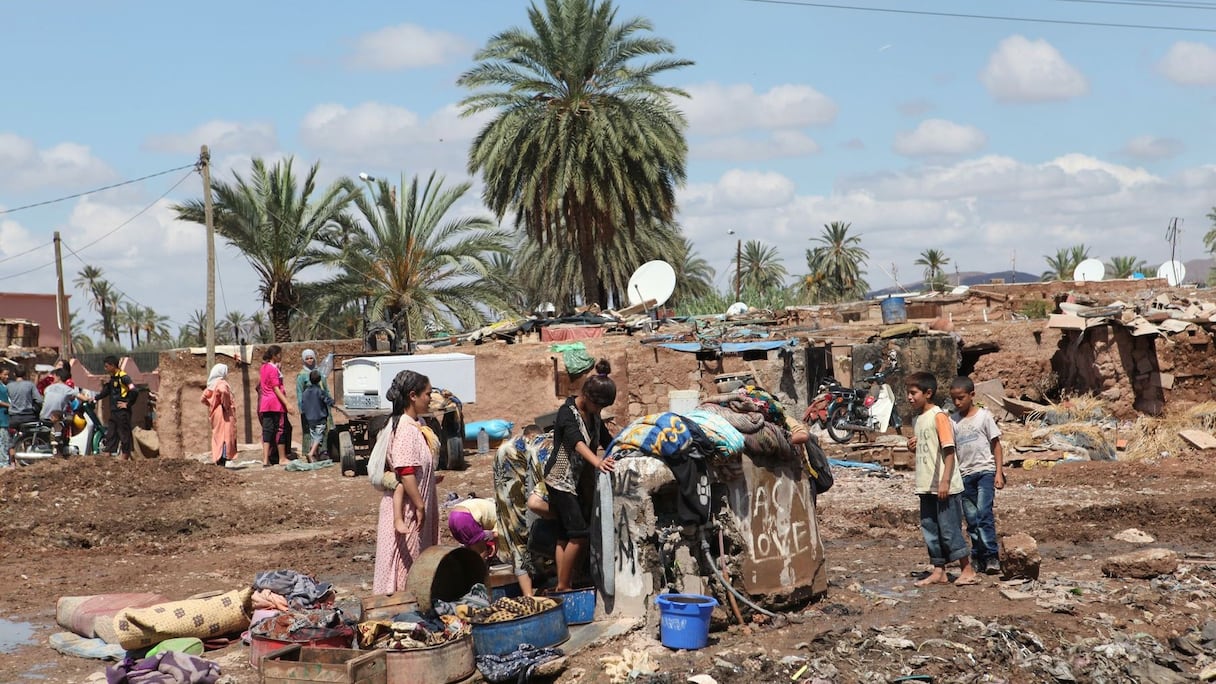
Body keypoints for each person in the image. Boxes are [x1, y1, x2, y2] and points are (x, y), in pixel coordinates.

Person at [543, 358, 616, 592]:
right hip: (560, 479)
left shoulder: (594, 415)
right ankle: (563, 586)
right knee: (579, 534)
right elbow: (575, 441)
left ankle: (566, 581)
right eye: (598, 406)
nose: (600, 411)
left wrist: (626, 446)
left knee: (565, 534)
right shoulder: (567, 413)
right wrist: (598, 462)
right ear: (586, 396)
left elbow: (607, 441)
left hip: (576, 481)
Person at [906, 371, 977, 587]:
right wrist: (913, 447)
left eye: (913, 393)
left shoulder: (939, 416)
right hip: (926, 484)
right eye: (908, 393)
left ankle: (967, 569)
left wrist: (945, 481)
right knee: (930, 528)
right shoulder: (918, 419)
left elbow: (949, 451)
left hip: (944, 485)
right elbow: (929, 448)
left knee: (949, 528)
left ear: (928, 393)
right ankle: (939, 570)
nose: (909, 397)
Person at [373, 370, 440, 595]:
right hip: (409, 507)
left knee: (417, 557)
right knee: (406, 561)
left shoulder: (416, 424)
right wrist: (420, 504)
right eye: (427, 394)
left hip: (417, 502)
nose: (430, 398)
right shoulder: (404, 428)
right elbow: (405, 470)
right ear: (413, 395)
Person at [949, 376, 1005, 576]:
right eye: (954, 399)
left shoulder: (984, 417)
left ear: (972, 395)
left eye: (961, 398)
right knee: (971, 519)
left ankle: (991, 555)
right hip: (964, 475)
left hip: (984, 472)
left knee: (984, 514)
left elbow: (996, 445)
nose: (957, 403)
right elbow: (951, 449)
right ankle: (978, 556)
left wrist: (998, 472)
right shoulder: (953, 421)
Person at [495, 425, 550, 596]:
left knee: (516, 536)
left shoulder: (508, 447)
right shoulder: (534, 447)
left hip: (507, 494)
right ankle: (530, 596)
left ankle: (529, 593)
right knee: (523, 535)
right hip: (515, 493)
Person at [95, 356, 138, 460]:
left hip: (122, 412)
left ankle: (125, 455)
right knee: (111, 432)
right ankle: (108, 452)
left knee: (124, 433)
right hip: (114, 411)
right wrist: (95, 398)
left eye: (107, 366)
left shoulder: (124, 378)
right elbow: (107, 391)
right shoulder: (113, 378)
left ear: (113, 366)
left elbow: (134, 391)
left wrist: (127, 404)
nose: (105, 369)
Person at [258, 345, 294, 467]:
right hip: (276, 404)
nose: (281, 356)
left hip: (265, 403)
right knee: (280, 430)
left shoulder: (263, 367)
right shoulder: (273, 370)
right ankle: (282, 457)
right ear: (274, 355)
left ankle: (265, 459)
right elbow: (276, 388)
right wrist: (287, 403)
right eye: (279, 354)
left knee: (267, 430)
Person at [201, 363, 237, 466]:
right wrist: (224, 404)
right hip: (223, 413)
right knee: (225, 435)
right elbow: (223, 391)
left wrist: (213, 405)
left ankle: (218, 457)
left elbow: (203, 398)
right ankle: (222, 458)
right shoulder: (221, 383)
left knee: (217, 435)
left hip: (216, 413)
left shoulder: (212, 384)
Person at [296, 349, 329, 457]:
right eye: (307, 358)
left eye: (311, 358)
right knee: (309, 431)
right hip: (309, 408)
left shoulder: (320, 373)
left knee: (323, 429)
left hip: (321, 406)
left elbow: (325, 389)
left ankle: (323, 451)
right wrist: (302, 408)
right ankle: (309, 452)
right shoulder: (301, 375)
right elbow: (300, 392)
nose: (310, 360)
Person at [300, 370, 334, 463]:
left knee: (313, 435)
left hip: (309, 418)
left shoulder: (305, 392)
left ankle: (315, 455)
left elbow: (303, 405)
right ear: (319, 380)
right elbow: (327, 400)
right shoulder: (320, 391)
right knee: (319, 436)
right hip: (320, 417)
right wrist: (333, 403)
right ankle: (311, 453)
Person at [6, 366, 42, 432]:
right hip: (29, 417)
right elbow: (39, 400)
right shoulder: (30, 385)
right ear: (25, 374)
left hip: (14, 417)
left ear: (14, 374)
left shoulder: (9, 386)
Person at [0, 366, 11, 467]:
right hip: (1, 417)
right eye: (5, 374)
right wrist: (8, 405)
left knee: (5, 439)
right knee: (3, 440)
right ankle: (3, 462)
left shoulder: (4, 386)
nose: (7, 376)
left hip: (5, 416)